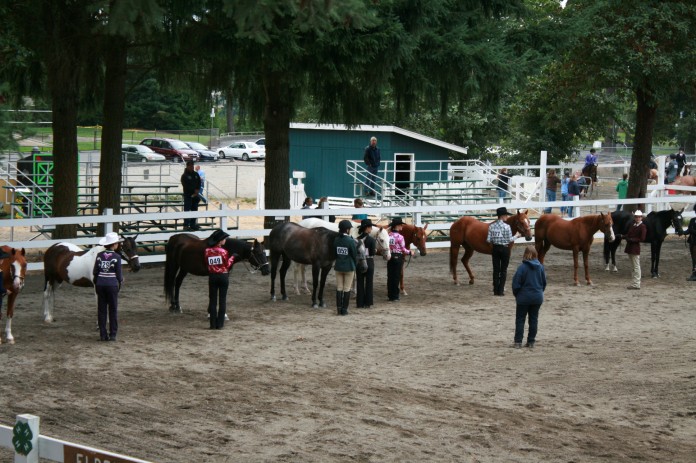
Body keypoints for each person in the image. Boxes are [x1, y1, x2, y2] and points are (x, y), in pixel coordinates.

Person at [512, 246, 547, 349]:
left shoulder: (522, 268)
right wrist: (539, 292)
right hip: (537, 297)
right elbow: (544, 283)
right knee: (533, 319)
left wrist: (517, 294)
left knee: (520, 319)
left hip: (523, 297)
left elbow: (516, 284)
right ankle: (531, 341)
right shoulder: (540, 267)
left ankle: (518, 342)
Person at [92, 232, 124, 341]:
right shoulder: (117, 257)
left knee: (101, 310)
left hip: (100, 284)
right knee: (113, 309)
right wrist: (121, 281)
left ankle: (102, 334)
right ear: (114, 244)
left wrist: (97, 282)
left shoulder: (99, 256)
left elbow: (95, 272)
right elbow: (119, 275)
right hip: (111, 285)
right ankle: (113, 334)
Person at [205, 229, 236, 329]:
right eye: (224, 239)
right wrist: (233, 257)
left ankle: (212, 324)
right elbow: (227, 265)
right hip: (223, 276)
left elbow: (207, 263)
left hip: (212, 276)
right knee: (222, 300)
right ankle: (220, 324)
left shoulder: (207, 251)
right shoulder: (224, 251)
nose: (225, 240)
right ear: (220, 241)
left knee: (213, 300)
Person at [486, 206, 518, 296]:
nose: (507, 217)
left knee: (496, 269)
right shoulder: (507, 227)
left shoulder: (491, 226)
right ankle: (500, 291)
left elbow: (488, 240)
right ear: (503, 216)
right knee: (503, 270)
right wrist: (517, 236)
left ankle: (495, 290)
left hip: (495, 249)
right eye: (506, 215)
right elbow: (509, 239)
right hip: (504, 249)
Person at [334, 220, 358, 315]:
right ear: (347, 230)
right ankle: (344, 310)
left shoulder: (336, 240)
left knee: (339, 287)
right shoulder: (350, 241)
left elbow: (335, 253)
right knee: (347, 288)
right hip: (349, 267)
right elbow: (354, 254)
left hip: (338, 266)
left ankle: (338, 309)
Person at [387, 217, 411, 302]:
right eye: (401, 225)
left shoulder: (388, 235)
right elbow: (403, 249)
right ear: (397, 226)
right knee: (396, 276)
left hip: (390, 256)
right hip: (398, 256)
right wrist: (410, 252)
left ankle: (390, 295)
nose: (402, 226)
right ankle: (395, 296)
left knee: (390, 276)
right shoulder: (400, 237)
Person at [624, 210, 647, 290]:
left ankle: (636, 283)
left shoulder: (642, 226)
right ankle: (634, 283)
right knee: (633, 266)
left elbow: (642, 238)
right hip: (630, 247)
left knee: (636, 266)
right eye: (636, 217)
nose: (637, 218)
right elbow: (629, 234)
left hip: (634, 247)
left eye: (639, 217)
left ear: (641, 218)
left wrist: (631, 239)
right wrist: (624, 236)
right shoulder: (633, 225)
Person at [356, 219, 376, 309]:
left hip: (359, 262)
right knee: (369, 282)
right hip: (369, 261)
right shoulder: (371, 240)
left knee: (360, 282)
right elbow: (372, 253)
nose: (371, 229)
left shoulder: (357, 239)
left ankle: (360, 303)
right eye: (370, 227)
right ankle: (368, 302)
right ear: (367, 228)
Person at [181, 160, 202, 230]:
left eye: (192, 166)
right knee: (187, 210)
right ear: (187, 166)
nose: (192, 167)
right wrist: (194, 190)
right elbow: (186, 186)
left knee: (194, 209)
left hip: (195, 195)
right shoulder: (184, 176)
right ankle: (186, 225)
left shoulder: (196, 174)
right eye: (190, 166)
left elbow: (199, 182)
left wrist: (197, 189)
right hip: (188, 195)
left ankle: (193, 224)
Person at [686, 204, 696, 281]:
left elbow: (691, 230)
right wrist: (681, 232)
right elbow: (688, 230)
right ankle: (694, 273)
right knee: (693, 258)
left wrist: (692, 230)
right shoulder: (692, 220)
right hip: (692, 242)